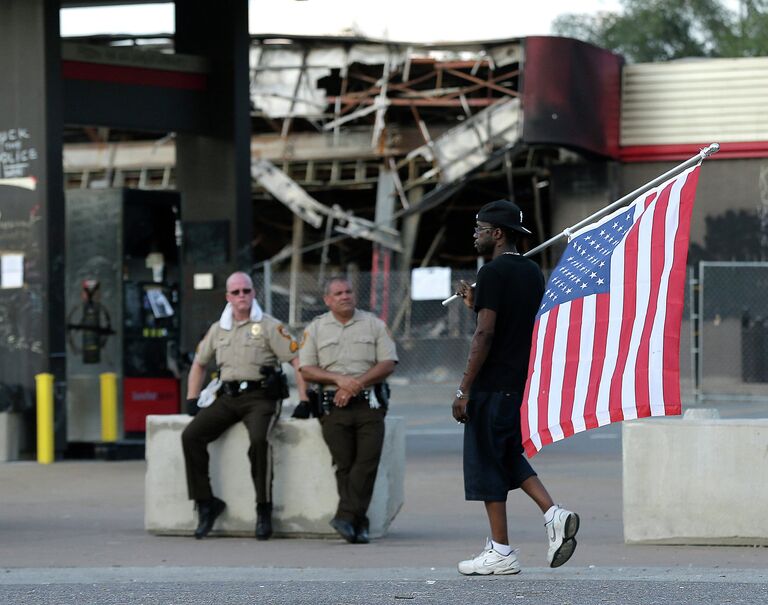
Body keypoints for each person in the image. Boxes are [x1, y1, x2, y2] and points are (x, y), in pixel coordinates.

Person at [452, 199, 580, 575]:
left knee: (487, 463)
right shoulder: (531, 272)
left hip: (491, 383)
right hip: (517, 378)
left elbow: (486, 333)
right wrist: (476, 303)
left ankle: (501, 551)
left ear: (497, 233)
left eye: (479, 228)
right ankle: (553, 515)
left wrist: (464, 389)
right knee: (506, 455)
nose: (474, 235)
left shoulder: (491, 272)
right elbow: (508, 322)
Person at [182, 271, 306, 540]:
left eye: (246, 291)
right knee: (191, 435)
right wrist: (192, 399)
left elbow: (297, 361)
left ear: (253, 294)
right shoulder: (219, 329)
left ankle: (263, 509)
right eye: (236, 292)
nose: (242, 296)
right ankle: (206, 504)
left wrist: (305, 400)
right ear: (228, 297)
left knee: (259, 441)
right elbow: (199, 363)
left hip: (261, 398)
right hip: (227, 398)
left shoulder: (271, 326)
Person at [298, 276, 397, 544]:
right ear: (327, 300)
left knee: (366, 462)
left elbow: (388, 362)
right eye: (338, 293)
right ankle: (357, 523)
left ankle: (346, 516)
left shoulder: (374, 324)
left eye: (348, 291)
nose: (345, 296)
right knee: (345, 464)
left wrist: (355, 385)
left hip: (369, 404)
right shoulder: (316, 328)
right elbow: (306, 368)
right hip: (333, 406)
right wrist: (339, 381)